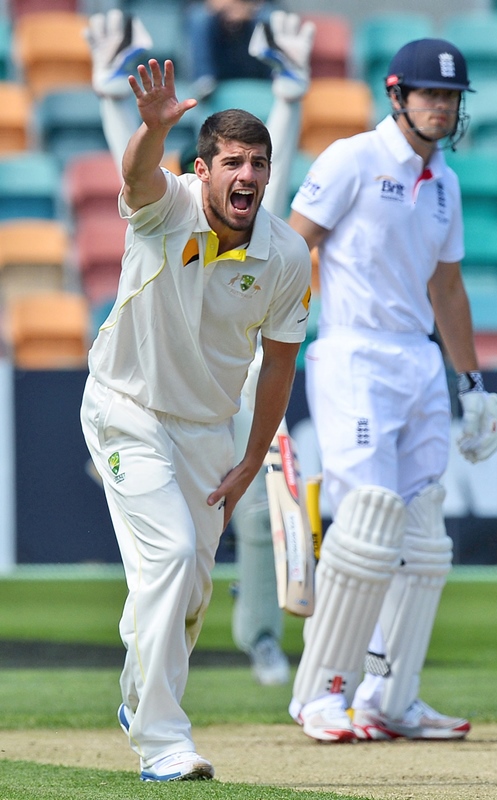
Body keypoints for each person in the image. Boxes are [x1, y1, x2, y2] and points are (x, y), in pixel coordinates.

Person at [79, 34, 312, 781]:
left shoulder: (284, 256)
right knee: (173, 558)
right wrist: (151, 127)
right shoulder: (166, 206)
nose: (246, 177)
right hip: (127, 409)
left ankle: (137, 689)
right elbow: (138, 175)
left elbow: (280, 362)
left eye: (258, 164)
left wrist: (252, 457)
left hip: (211, 431)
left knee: (185, 592)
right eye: (232, 164)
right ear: (202, 170)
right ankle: (162, 741)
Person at [286, 38, 497, 743]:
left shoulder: (442, 182)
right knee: (366, 522)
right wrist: (261, 344)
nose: (442, 106)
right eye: (429, 94)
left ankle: (391, 693)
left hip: (416, 363)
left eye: (450, 96)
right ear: (395, 94)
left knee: (419, 531)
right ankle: (325, 692)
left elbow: (446, 285)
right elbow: (295, 245)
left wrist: (470, 383)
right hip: (353, 353)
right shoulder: (352, 158)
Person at [185, 0, 277, 99]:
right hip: (220, 35)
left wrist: (244, 6)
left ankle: (275, 77)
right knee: (199, 18)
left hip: (250, 15)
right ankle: (205, 80)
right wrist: (226, 5)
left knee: (270, 18)